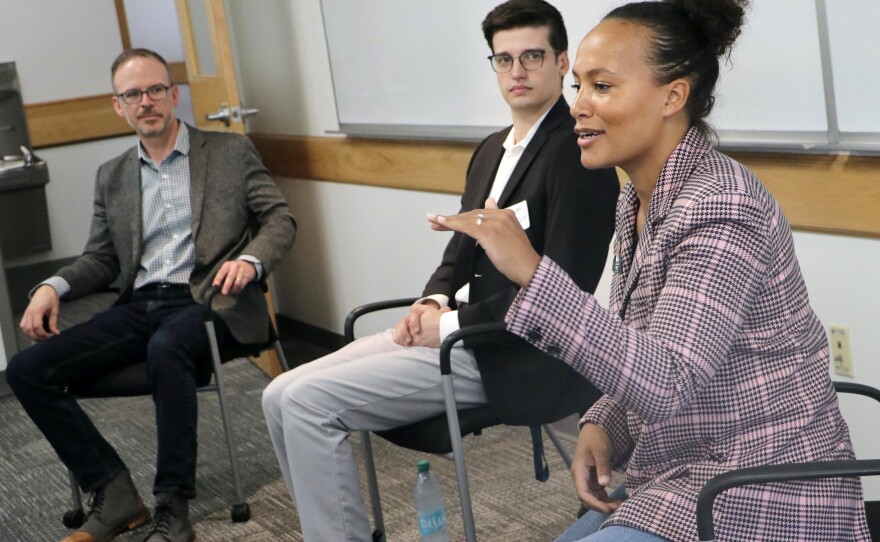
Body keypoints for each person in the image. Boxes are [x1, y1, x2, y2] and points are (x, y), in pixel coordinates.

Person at [428, 1, 872, 540]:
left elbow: (665, 380)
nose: (578, 107)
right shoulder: (637, 201)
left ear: (673, 95)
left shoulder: (722, 206)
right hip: (680, 468)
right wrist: (602, 421)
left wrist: (530, 270)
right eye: (578, 87)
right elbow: (643, 340)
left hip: (761, 486)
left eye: (603, 87)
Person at [261, 1, 619, 539]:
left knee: (309, 404)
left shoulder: (576, 154)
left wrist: (449, 326)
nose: (516, 71)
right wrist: (431, 302)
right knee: (276, 394)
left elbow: (564, 291)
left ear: (562, 61)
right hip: (455, 331)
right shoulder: (491, 149)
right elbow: (458, 255)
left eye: (531, 56)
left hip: (511, 352)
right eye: (503, 59)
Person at [6, 48, 295, 542]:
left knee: (169, 346)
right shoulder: (113, 175)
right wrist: (51, 287)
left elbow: (279, 219)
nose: (146, 102)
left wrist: (250, 261)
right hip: (140, 304)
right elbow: (101, 260)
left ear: (173, 95)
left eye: (156, 89)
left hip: (212, 301)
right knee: (27, 370)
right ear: (118, 105)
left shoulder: (228, 152)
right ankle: (115, 493)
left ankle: (172, 504)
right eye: (133, 94)